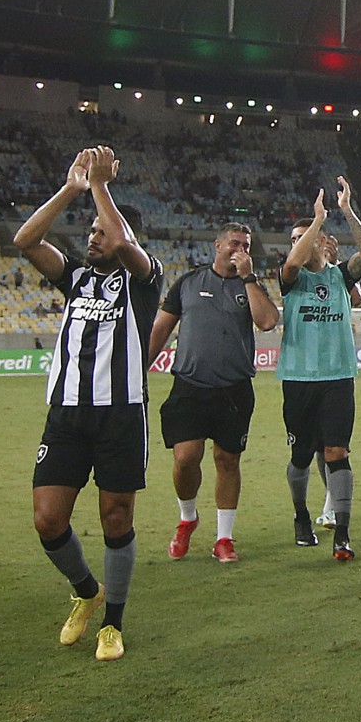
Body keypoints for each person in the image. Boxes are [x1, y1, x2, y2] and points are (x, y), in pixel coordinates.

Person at [15, 147, 161, 662]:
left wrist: (102, 188)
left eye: (99, 231)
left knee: (116, 519)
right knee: (47, 519)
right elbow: (25, 240)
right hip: (67, 414)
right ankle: (85, 588)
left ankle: (113, 624)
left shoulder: (145, 280)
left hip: (121, 414)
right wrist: (74, 188)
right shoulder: (75, 279)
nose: (92, 237)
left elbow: (122, 238)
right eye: (91, 232)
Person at [148, 221, 279, 563]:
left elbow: (267, 322)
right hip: (190, 386)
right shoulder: (189, 283)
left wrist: (249, 278)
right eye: (235, 243)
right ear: (218, 245)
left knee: (227, 461)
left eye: (247, 246)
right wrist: (137, 372)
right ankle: (187, 518)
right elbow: (161, 329)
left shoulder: (249, 286)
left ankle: (224, 538)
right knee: (185, 458)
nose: (241, 250)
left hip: (234, 390)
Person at [278, 178, 361, 561]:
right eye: (294, 237)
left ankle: (343, 534)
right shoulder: (291, 277)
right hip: (298, 379)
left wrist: (346, 211)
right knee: (302, 456)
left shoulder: (339, 276)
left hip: (337, 378)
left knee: (337, 451)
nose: (296, 243)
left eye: (304, 236)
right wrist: (316, 222)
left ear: (322, 241)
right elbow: (291, 262)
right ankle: (301, 515)